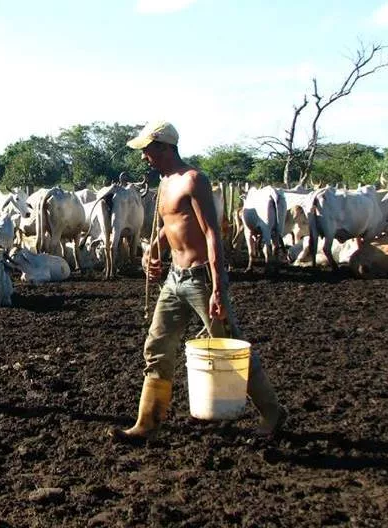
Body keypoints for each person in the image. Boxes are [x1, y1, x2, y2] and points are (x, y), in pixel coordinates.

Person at [109, 120, 287, 444]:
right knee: (157, 347)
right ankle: (147, 422)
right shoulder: (164, 183)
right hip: (174, 280)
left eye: (148, 150)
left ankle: (272, 412)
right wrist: (155, 251)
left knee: (228, 344)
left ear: (164, 147)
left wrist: (218, 286)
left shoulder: (194, 180)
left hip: (201, 279)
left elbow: (211, 233)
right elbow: (170, 225)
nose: (144, 156)